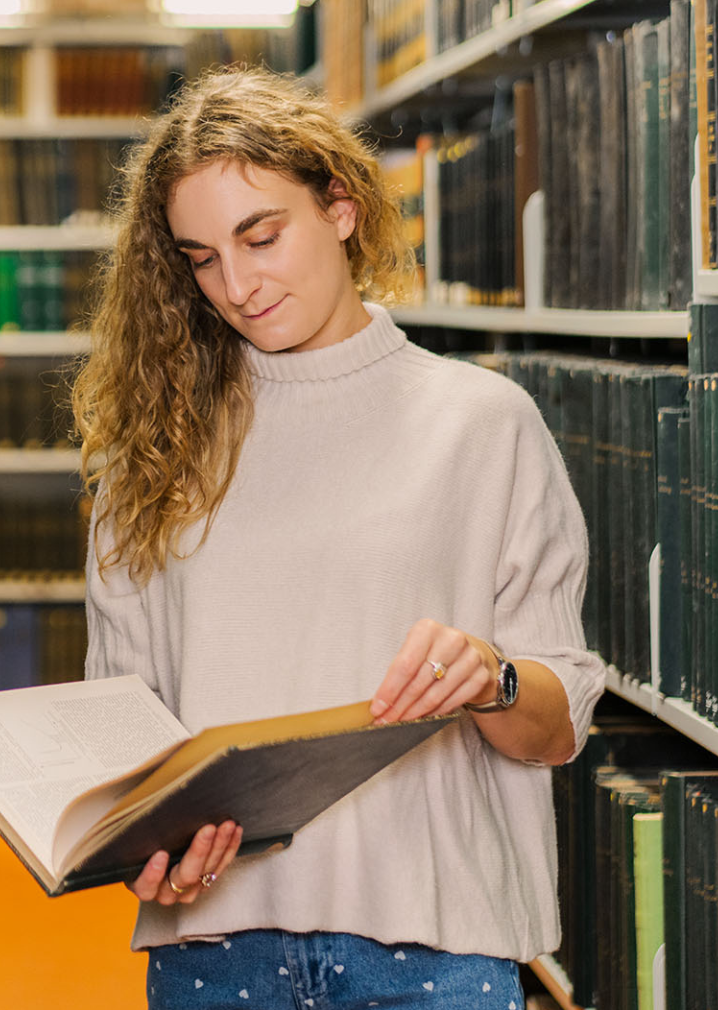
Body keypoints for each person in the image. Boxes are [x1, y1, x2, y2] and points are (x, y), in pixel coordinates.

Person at [68, 67, 604, 1010]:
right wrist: (144, 848)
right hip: (216, 953)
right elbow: (127, 728)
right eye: (200, 258)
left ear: (342, 210)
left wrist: (493, 676)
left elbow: (555, 732)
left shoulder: (483, 424)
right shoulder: (153, 449)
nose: (236, 285)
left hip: (435, 958)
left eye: (261, 236)